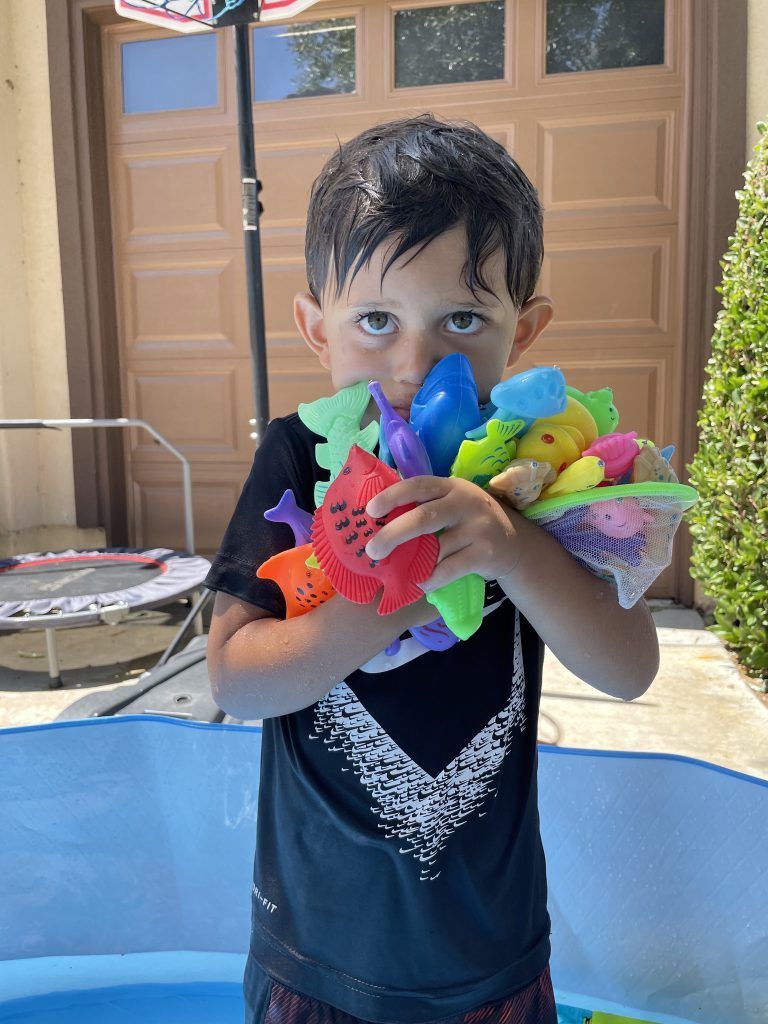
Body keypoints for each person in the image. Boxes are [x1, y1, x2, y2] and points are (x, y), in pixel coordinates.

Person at [205, 113, 659, 1024]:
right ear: (314, 327)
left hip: (491, 958)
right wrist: (380, 595)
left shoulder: (539, 481)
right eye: (376, 320)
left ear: (522, 331)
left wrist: (512, 545)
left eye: (462, 318)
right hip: (317, 954)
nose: (416, 363)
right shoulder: (297, 459)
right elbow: (236, 679)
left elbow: (629, 668)